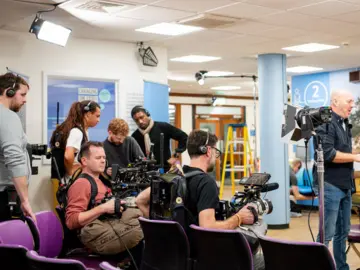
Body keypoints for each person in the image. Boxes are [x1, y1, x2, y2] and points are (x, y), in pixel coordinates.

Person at [135, 130, 264, 269]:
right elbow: (207, 227)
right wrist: (239, 218)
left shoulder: (176, 176)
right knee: (259, 256)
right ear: (208, 151)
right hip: (199, 258)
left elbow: (140, 200)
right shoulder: (206, 183)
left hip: (170, 258)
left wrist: (165, 178)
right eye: (216, 152)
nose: (216, 157)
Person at [313, 90, 360, 270]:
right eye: (349, 101)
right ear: (335, 102)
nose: (352, 105)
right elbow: (327, 154)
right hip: (330, 184)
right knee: (327, 233)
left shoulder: (344, 123)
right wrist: (357, 158)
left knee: (343, 232)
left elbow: (343, 152)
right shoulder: (325, 122)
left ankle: (342, 267)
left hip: (345, 185)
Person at [65, 141, 143, 268]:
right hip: (95, 237)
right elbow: (71, 221)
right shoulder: (82, 183)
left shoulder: (100, 180)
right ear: (84, 161)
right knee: (147, 231)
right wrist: (103, 208)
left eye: (104, 158)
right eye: (98, 158)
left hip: (109, 226)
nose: (103, 161)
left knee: (145, 218)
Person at [0, 72, 35, 222]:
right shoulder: (8, 116)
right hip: (5, 197)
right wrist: (25, 199)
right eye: (22, 95)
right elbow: (14, 159)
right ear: (10, 92)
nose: (25, 100)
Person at [50, 100, 101, 179]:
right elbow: (68, 156)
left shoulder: (80, 130)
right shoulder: (77, 132)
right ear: (87, 115)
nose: (98, 120)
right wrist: (70, 173)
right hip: (69, 180)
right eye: (97, 116)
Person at [130, 106, 187, 170]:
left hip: (165, 170)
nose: (140, 121)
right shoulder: (135, 136)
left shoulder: (163, 127)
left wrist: (175, 155)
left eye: (141, 117)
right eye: (136, 120)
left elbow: (184, 137)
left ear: (147, 114)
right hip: (145, 173)